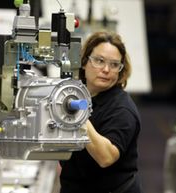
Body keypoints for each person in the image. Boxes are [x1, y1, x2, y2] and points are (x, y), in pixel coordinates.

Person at [59, 31, 143, 193]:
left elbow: (106, 157)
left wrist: (76, 112)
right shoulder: (79, 94)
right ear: (84, 62)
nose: (106, 69)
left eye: (114, 64)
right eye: (99, 61)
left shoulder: (122, 109)